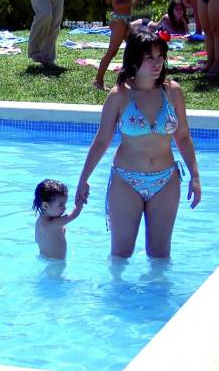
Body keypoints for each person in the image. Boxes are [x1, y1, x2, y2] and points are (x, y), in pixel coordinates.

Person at [75, 30, 201, 259]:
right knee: (121, 255)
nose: (158, 63)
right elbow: (102, 140)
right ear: (134, 60)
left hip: (166, 180)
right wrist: (83, 179)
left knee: (160, 255)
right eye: (150, 57)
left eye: (161, 56)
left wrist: (195, 175)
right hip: (126, 180)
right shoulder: (120, 96)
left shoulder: (172, 91)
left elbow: (182, 136)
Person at [92, 0, 139, 91]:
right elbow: (115, 5)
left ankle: (132, 78)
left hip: (121, 20)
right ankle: (98, 80)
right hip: (120, 20)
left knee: (135, 47)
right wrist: (132, 2)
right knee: (112, 52)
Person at [33, 179, 83, 260]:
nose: (65, 208)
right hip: (56, 265)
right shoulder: (52, 225)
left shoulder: (39, 222)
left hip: (44, 259)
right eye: (61, 205)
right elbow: (75, 213)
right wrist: (82, 198)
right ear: (45, 206)